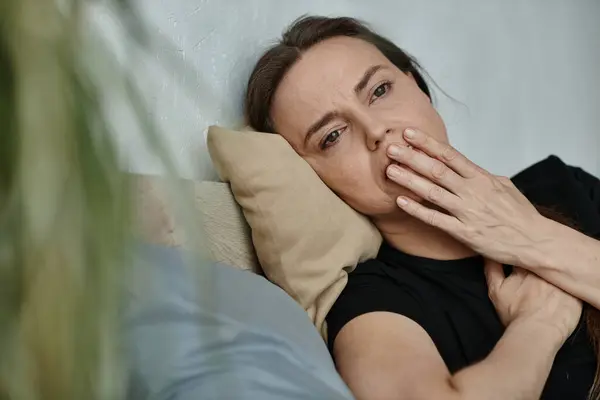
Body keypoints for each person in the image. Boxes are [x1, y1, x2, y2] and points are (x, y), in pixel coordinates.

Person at [244, 15, 600, 400]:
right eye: (332, 136)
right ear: (313, 177)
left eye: (379, 91)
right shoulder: (373, 302)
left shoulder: (560, 183)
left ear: (417, 88)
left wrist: (534, 239)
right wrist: (539, 326)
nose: (376, 131)